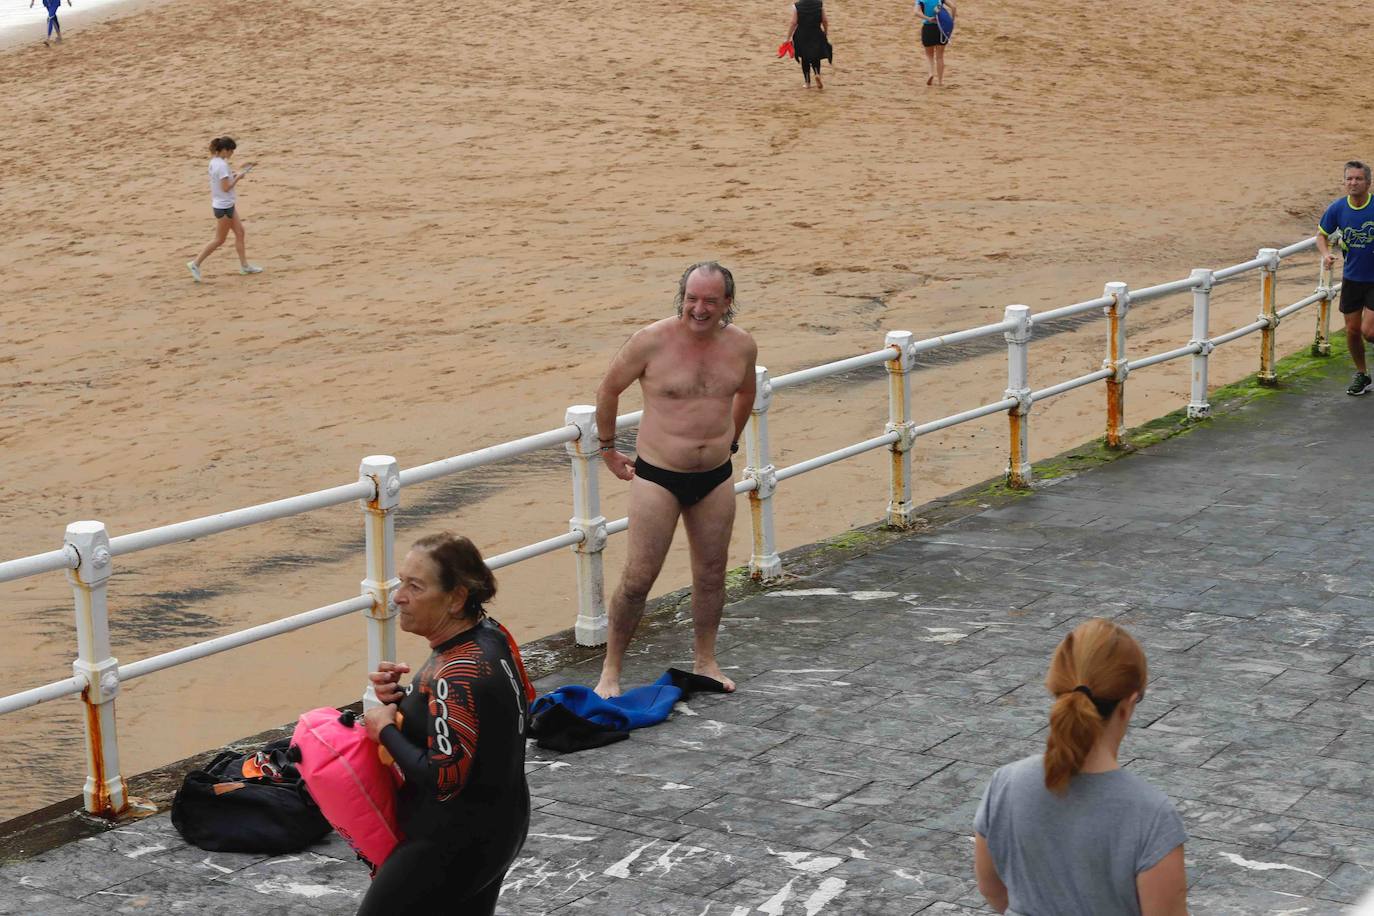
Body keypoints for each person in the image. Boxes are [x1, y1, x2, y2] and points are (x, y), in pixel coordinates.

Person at [593, 262, 758, 698]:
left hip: (716, 477)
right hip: (657, 476)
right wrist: (607, 450)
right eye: (692, 298)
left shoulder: (742, 346)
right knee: (638, 578)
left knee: (711, 576)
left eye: (710, 300)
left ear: (727, 303)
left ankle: (705, 661)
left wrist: (733, 441)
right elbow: (608, 389)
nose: (699, 308)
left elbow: (745, 393)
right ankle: (610, 671)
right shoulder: (650, 342)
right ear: (680, 296)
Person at [359, 532, 534, 916]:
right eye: (401, 581)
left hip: (450, 846)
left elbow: (445, 777)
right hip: (499, 826)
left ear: (456, 598)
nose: (397, 596)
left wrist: (384, 729)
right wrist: (409, 701)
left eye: (414, 586)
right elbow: (504, 716)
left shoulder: (457, 673)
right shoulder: (493, 636)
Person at [973, 618, 1188, 916]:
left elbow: (992, 888)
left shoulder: (1005, 784)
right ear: (1129, 702)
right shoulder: (1150, 815)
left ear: (1056, 689)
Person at [1317, 160, 1374, 396]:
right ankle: (1362, 375)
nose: (1353, 183)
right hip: (1352, 278)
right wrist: (1326, 254)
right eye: (1349, 178)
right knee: (1352, 331)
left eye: (1358, 179)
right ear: (1343, 182)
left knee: (1369, 332)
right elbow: (1321, 235)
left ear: (1368, 183)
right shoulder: (1337, 208)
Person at [187, 137, 262, 282]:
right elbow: (226, 187)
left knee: (240, 232)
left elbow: (221, 181)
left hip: (225, 205)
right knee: (219, 240)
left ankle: (245, 266)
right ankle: (195, 263)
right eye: (231, 150)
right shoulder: (221, 166)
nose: (232, 153)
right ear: (225, 150)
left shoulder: (215, 162)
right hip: (224, 207)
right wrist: (238, 178)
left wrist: (233, 175)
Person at [784, 0, 832, 89]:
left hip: (802, 35)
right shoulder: (819, 4)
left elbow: (793, 22)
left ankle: (807, 83)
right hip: (816, 33)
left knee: (804, 57)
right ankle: (817, 73)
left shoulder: (797, 6)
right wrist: (825, 32)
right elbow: (824, 20)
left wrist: (788, 38)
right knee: (815, 56)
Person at [916, 0, 956, 86]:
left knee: (929, 55)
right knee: (940, 57)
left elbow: (916, 12)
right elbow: (953, 7)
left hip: (928, 28)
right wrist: (952, 21)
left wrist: (928, 18)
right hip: (942, 28)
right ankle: (940, 81)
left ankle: (931, 73)